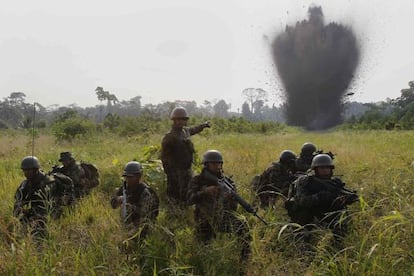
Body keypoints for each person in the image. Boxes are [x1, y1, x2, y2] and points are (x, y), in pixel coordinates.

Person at [187, 150, 251, 262]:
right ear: (206, 164)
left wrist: (228, 198)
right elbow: (189, 199)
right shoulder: (198, 180)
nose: (217, 166)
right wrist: (205, 192)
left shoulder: (227, 182)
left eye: (219, 163)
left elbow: (233, 208)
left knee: (242, 226)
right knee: (203, 250)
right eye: (214, 163)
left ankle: (245, 258)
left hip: (222, 217)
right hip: (204, 219)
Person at [285, 154, 358, 240]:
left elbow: (344, 194)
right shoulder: (306, 181)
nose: (325, 170)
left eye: (327, 168)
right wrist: (319, 196)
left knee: (341, 213)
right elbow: (302, 201)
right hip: (308, 212)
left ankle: (338, 238)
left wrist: (344, 200)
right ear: (315, 169)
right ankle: (301, 235)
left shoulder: (334, 182)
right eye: (321, 168)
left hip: (325, 210)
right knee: (302, 218)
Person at [161, 106, 210, 205]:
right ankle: (174, 212)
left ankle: (184, 209)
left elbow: (194, 129)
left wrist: (204, 125)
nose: (180, 122)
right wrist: (171, 174)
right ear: (174, 120)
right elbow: (165, 158)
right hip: (176, 171)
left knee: (187, 191)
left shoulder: (185, 131)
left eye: (183, 119)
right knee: (174, 194)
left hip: (187, 169)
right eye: (178, 119)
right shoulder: (169, 136)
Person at [14, 156, 72, 240]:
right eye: (24, 170)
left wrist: (28, 212)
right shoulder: (26, 183)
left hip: (52, 209)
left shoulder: (48, 182)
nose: (26, 173)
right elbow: (19, 199)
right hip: (36, 209)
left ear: (35, 169)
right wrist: (18, 209)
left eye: (28, 170)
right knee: (23, 220)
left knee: (38, 225)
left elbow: (47, 205)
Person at [111, 161, 159, 243]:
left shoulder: (145, 192)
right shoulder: (124, 188)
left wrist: (132, 208)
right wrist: (117, 200)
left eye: (131, 177)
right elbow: (113, 205)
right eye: (127, 177)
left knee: (129, 240)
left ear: (139, 176)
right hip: (128, 223)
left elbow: (147, 214)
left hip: (143, 225)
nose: (128, 179)